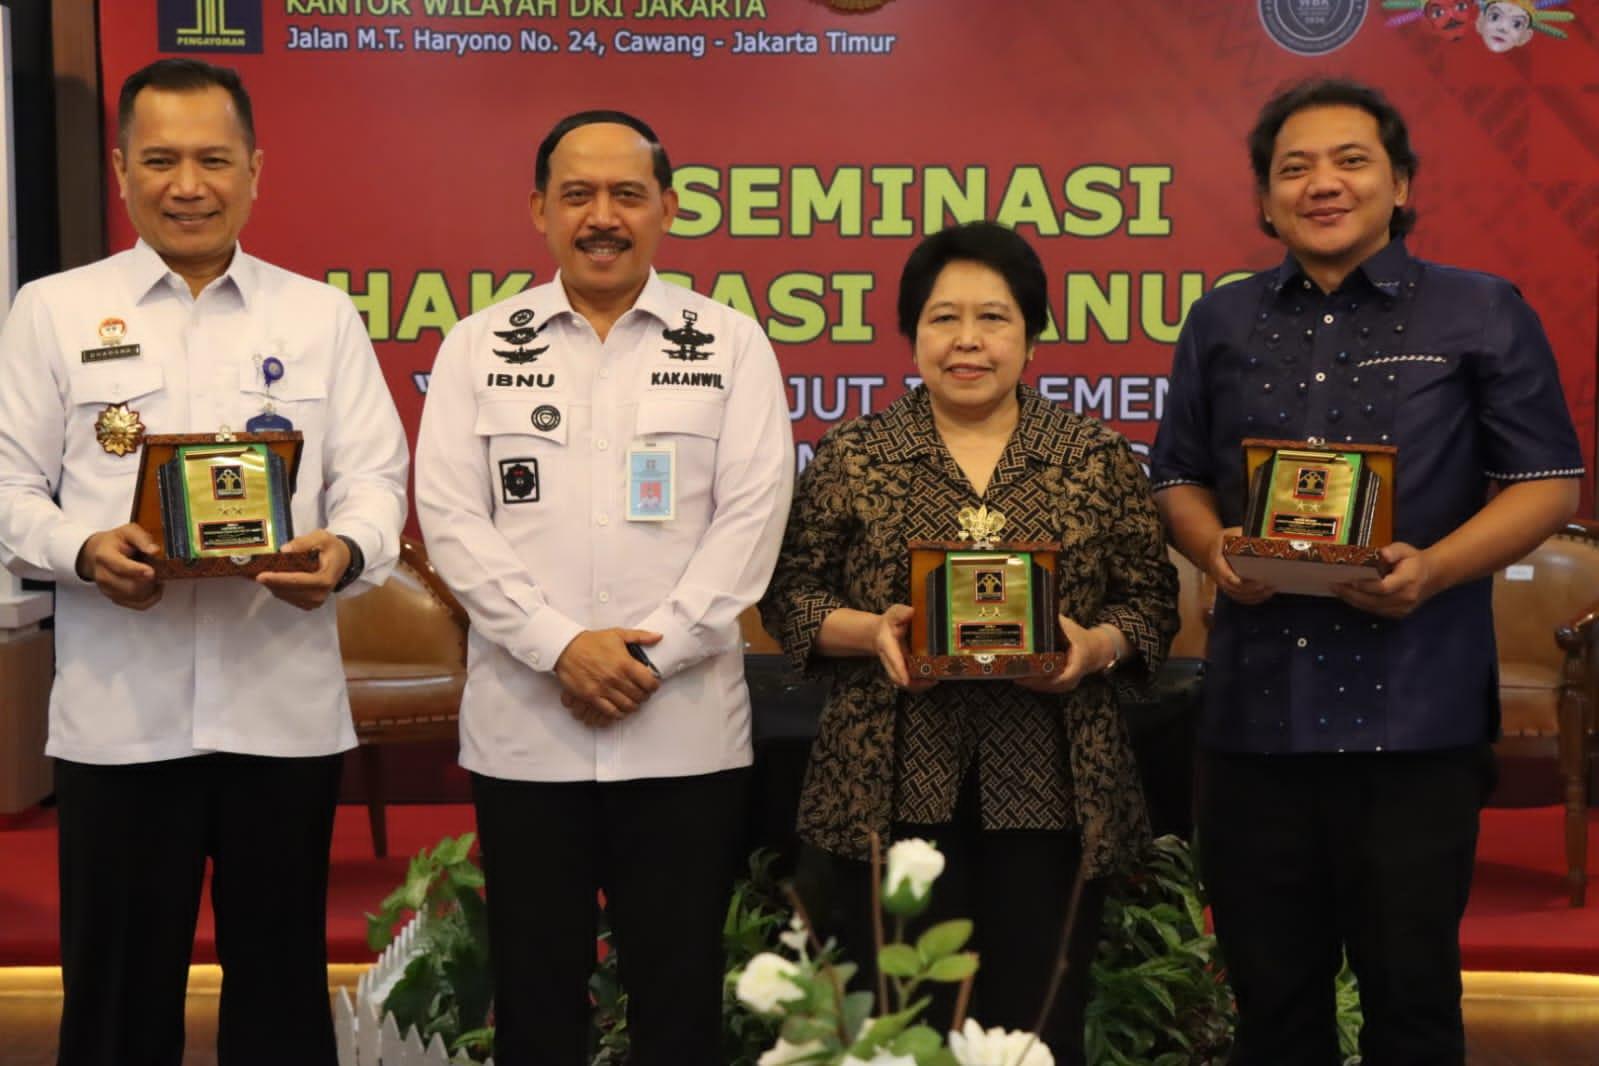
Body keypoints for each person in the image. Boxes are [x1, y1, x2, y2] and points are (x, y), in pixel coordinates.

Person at [1150, 78, 1582, 1065]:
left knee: (1412, 1007)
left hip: (1416, 717)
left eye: (1350, 161)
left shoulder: (1480, 309)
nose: (1322, 184)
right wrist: (1214, 549)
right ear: (1264, 200)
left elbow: (1545, 483)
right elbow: (1176, 476)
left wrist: (1432, 568)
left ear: (1401, 184)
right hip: (1255, 721)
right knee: (1272, 1010)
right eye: (1293, 168)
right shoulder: (1220, 321)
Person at [0, 58, 408, 1066]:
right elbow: (9, 487)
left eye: (214, 160)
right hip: (119, 715)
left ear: (255, 170)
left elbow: (374, 480)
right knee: (115, 998)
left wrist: (344, 549)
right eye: (161, 160)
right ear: (121, 169)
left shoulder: (318, 317)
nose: (188, 184)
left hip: (280, 708)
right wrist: (83, 549)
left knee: (280, 992)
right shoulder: (53, 310)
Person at [414, 110, 794, 1066]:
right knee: (535, 1001)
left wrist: (646, 657)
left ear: (667, 207)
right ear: (538, 209)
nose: (602, 217)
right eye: (577, 194)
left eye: (627, 194)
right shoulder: (477, 346)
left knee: (678, 1001)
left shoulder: (730, 343)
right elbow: (451, 520)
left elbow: (751, 523)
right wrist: (560, 648)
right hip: (525, 731)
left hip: (682, 733)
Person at [760, 220, 1178, 1064]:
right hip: (885, 780)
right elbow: (789, 596)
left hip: (1052, 782)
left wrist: (1091, 649)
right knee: (898, 1029)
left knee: (1035, 1030)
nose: (967, 341)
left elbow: (1150, 604)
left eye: (993, 318)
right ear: (911, 332)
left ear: (1031, 334)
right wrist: (871, 633)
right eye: (943, 318)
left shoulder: (1092, 456)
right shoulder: (855, 453)